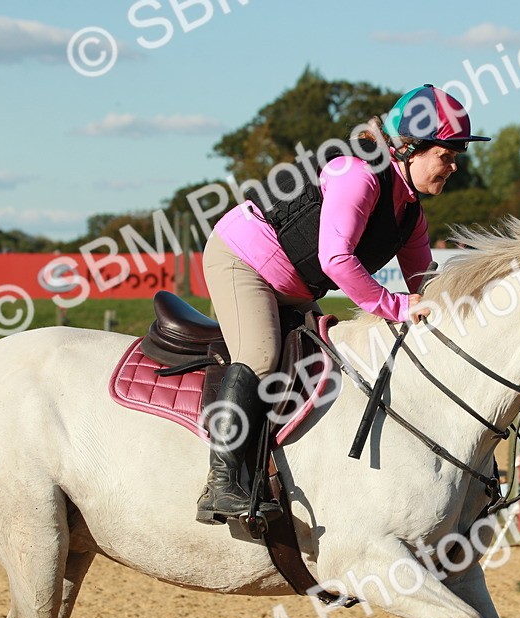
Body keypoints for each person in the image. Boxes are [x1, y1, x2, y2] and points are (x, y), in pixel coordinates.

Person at [194, 84, 489, 525]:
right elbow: (336, 260)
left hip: (294, 286)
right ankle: (221, 482)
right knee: (259, 355)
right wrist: (397, 306)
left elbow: (426, 285)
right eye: (446, 155)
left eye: (455, 157)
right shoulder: (359, 174)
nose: (452, 166)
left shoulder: (410, 215)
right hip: (243, 260)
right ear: (408, 148)